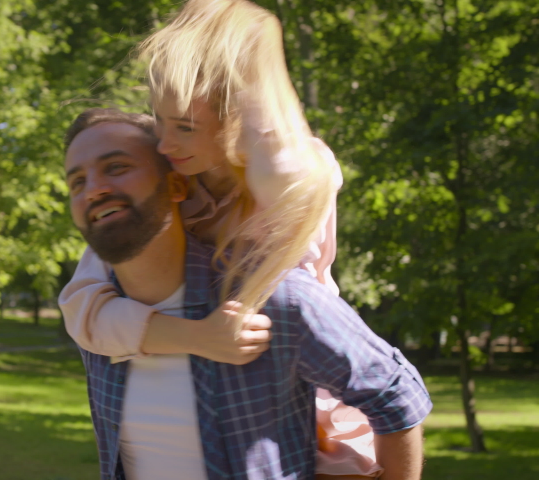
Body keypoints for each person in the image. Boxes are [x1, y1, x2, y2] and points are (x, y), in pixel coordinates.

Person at [58, 1, 375, 476]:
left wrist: (255, 42)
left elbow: (387, 389)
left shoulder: (294, 173)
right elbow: (83, 311)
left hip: (303, 407)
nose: (165, 144)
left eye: (184, 126)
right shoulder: (169, 190)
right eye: (158, 120)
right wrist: (200, 337)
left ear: (241, 116)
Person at [63, 109, 431, 480]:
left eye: (117, 167)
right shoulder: (98, 320)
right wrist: (198, 337)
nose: (93, 188)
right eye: (76, 181)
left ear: (177, 186)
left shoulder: (273, 300)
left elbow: (394, 394)